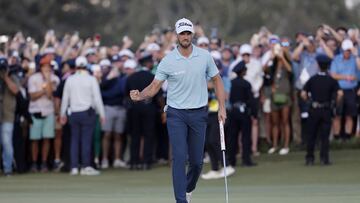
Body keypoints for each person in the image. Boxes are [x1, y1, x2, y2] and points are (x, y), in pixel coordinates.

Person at [129, 18, 226, 203]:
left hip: (199, 113)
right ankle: (180, 200)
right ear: (177, 35)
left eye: (188, 33)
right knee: (179, 158)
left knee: (197, 163)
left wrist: (222, 107)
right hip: (176, 114)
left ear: (192, 34)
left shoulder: (204, 56)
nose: (185, 36)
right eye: (182, 33)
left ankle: (188, 188)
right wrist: (140, 95)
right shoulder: (168, 60)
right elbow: (155, 86)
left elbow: (217, 80)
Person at [60, 56, 105, 176]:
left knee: (74, 140)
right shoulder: (91, 79)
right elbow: (97, 98)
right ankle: (86, 166)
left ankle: (74, 167)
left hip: (73, 113)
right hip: (87, 113)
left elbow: (65, 98)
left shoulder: (70, 79)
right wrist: (102, 114)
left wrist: (62, 114)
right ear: (86, 66)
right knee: (86, 140)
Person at [301, 55, 342, 165]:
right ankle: (324, 158)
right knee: (325, 136)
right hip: (326, 110)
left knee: (312, 135)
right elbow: (339, 93)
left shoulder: (312, 79)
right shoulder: (331, 80)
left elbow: (303, 93)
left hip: (314, 109)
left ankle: (309, 158)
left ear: (318, 65)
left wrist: (309, 102)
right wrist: (334, 104)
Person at [28, 55, 60, 172]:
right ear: (40, 67)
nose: (47, 68)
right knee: (35, 139)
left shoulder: (55, 79)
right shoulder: (33, 78)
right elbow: (33, 96)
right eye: (45, 66)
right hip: (35, 111)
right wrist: (43, 90)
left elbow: (50, 95)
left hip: (49, 111)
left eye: (49, 66)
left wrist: (47, 81)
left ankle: (44, 163)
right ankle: (34, 162)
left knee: (47, 138)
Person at [227, 61, 257, 167]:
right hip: (244, 112)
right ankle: (246, 160)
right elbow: (251, 100)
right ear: (243, 71)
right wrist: (254, 114)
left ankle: (231, 161)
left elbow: (230, 99)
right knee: (246, 137)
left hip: (233, 112)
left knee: (232, 137)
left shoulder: (232, 83)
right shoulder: (246, 84)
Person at [330, 39, 360, 140]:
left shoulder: (355, 59)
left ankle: (347, 137)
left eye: (349, 50)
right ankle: (337, 137)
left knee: (349, 115)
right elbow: (333, 75)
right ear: (342, 50)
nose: (347, 52)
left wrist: (356, 56)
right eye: (346, 50)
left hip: (351, 90)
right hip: (339, 90)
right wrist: (346, 77)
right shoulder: (336, 59)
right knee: (337, 115)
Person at [0, 57, 20, 176]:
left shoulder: (12, 78)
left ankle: (8, 169)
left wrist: (6, 77)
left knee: (7, 143)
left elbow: (15, 91)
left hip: (8, 116)